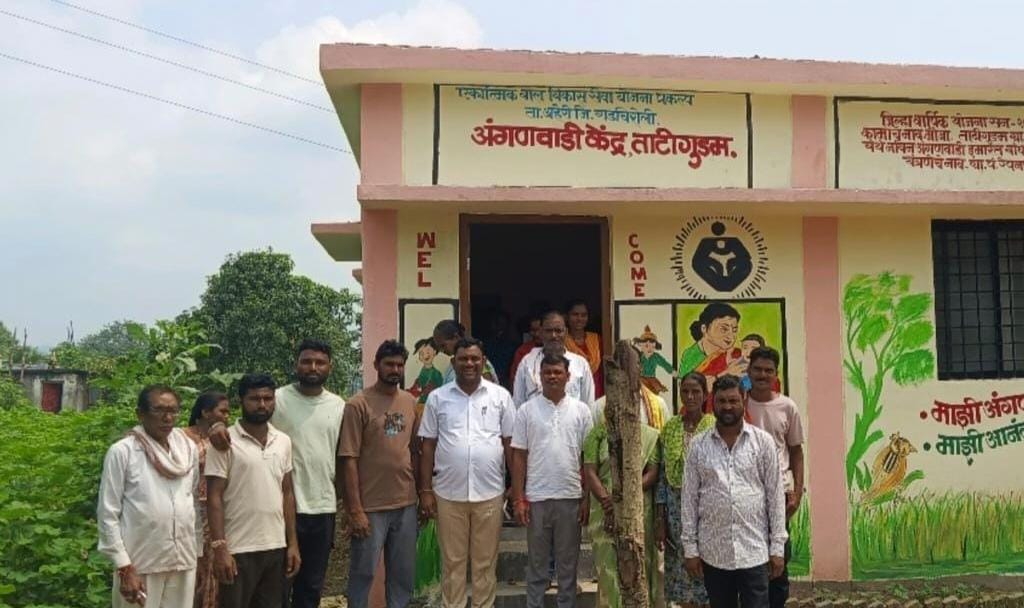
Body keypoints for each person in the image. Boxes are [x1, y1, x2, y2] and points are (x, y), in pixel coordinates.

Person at [208, 339, 346, 608]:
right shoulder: (278, 398)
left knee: (311, 587)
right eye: (306, 361)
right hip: (282, 515)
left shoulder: (339, 405)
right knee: (276, 591)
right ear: (296, 364)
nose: (313, 367)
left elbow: (345, 454)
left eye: (320, 362)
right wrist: (216, 427)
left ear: (330, 366)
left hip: (322, 507)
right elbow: (246, 425)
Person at [418, 337, 515, 608]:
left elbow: (510, 443)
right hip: (448, 494)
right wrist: (425, 490)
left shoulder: (500, 397)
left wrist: (516, 487)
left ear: (483, 362)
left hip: (490, 493)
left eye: (475, 359)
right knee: (453, 563)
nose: (469, 363)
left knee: (485, 563)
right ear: (453, 362)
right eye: (463, 359)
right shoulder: (438, 398)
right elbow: (428, 445)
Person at [681, 375, 786, 608]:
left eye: (733, 400)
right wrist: (690, 549)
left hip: (754, 551)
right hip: (714, 554)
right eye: (721, 401)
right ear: (712, 402)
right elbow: (689, 499)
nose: (727, 406)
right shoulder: (698, 446)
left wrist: (777, 547)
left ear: (743, 400)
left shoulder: (763, 442)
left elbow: (775, 497)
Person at [98, 385, 200, 608]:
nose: (167, 418)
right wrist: (124, 567)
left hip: (182, 559)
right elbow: (107, 514)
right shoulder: (123, 452)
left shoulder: (187, 449)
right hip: (140, 564)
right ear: (140, 414)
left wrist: (197, 552)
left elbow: (192, 501)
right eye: (159, 410)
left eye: (173, 411)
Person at [206, 374, 301, 608]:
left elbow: (287, 493)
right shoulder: (224, 442)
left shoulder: (283, 441)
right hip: (238, 548)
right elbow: (214, 496)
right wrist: (220, 547)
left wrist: (292, 543)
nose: (262, 404)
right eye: (254, 399)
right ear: (241, 401)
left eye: (268, 398)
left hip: (275, 546)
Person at [338, 340, 420, 608]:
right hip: (370, 507)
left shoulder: (409, 402)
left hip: (405, 504)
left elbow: (414, 451)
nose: (395, 370)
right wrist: (354, 510)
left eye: (399, 365)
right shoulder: (358, 404)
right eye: (389, 364)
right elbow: (348, 459)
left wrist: (422, 494)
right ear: (376, 365)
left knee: (402, 574)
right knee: (363, 573)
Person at [511, 351, 594, 608]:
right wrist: (519, 499)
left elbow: (589, 458)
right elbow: (518, 456)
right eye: (547, 372)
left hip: (570, 497)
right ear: (539, 376)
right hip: (536, 498)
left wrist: (586, 498)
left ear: (568, 376)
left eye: (558, 372)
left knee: (568, 568)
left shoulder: (581, 411)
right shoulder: (526, 410)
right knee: (537, 566)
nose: (552, 376)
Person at [583, 396, 663, 608]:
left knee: (639, 567)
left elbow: (652, 473)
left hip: (638, 511)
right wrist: (607, 501)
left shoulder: (650, 435)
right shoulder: (597, 434)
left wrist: (624, 497)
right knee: (608, 570)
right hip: (604, 512)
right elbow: (590, 471)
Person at [743, 347, 804, 608]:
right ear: (748, 371)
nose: (762, 375)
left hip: (779, 494)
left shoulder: (787, 407)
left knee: (778, 558)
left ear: (776, 374)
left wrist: (798, 492)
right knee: (749, 557)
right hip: (745, 491)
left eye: (768, 370)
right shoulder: (739, 404)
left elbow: (796, 452)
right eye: (757, 369)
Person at [656, 373, 715, 608]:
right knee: (680, 571)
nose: (690, 397)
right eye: (685, 391)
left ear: (705, 395)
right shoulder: (670, 427)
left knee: (706, 567)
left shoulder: (714, 427)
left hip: (706, 508)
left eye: (695, 392)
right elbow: (662, 475)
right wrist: (660, 518)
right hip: (675, 512)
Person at [183, 391, 231, 608]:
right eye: (222, 411)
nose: (227, 416)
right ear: (205, 412)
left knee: (213, 569)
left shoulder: (224, 439)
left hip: (215, 511)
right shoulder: (181, 438)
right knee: (193, 571)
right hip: (189, 513)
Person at [512, 311, 595, 408]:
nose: (554, 336)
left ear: (566, 332)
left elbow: (588, 405)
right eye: (548, 331)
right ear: (541, 333)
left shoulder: (580, 364)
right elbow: (518, 402)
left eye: (558, 331)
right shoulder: (527, 362)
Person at [677, 303, 748, 400]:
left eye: (734, 330)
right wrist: (726, 373)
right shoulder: (691, 355)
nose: (731, 336)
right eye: (724, 329)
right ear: (704, 329)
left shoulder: (737, 354)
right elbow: (689, 390)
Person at [433, 320, 499, 384]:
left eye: (443, 345)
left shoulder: (476, 361)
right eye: (439, 347)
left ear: (456, 337)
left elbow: (486, 387)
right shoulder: (453, 364)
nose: (441, 350)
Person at [564, 300, 604, 398]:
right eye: (575, 314)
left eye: (583, 315)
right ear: (567, 317)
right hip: (572, 392)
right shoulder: (562, 341)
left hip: (597, 391)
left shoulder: (597, 339)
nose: (579, 318)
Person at [633, 326, 675, 396]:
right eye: (646, 346)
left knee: (654, 394)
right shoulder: (639, 356)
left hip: (652, 380)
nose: (649, 349)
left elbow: (664, 364)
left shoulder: (656, 357)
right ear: (640, 345)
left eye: (652, 347)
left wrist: (673, 372)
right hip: (641, 379)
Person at [409, 338, 445, 409]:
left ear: (434, 352)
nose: (425, 356)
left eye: (428, 352)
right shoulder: (423, 371)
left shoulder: (436, 374)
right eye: (421, 353)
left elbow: (440, 391)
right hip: (421, 404)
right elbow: (418, 385)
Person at [509, 314, 543, 386]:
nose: (536, 334)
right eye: (533, 330)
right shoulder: (522, 351)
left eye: (539, 330)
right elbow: (515, 377)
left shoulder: (556, 348)